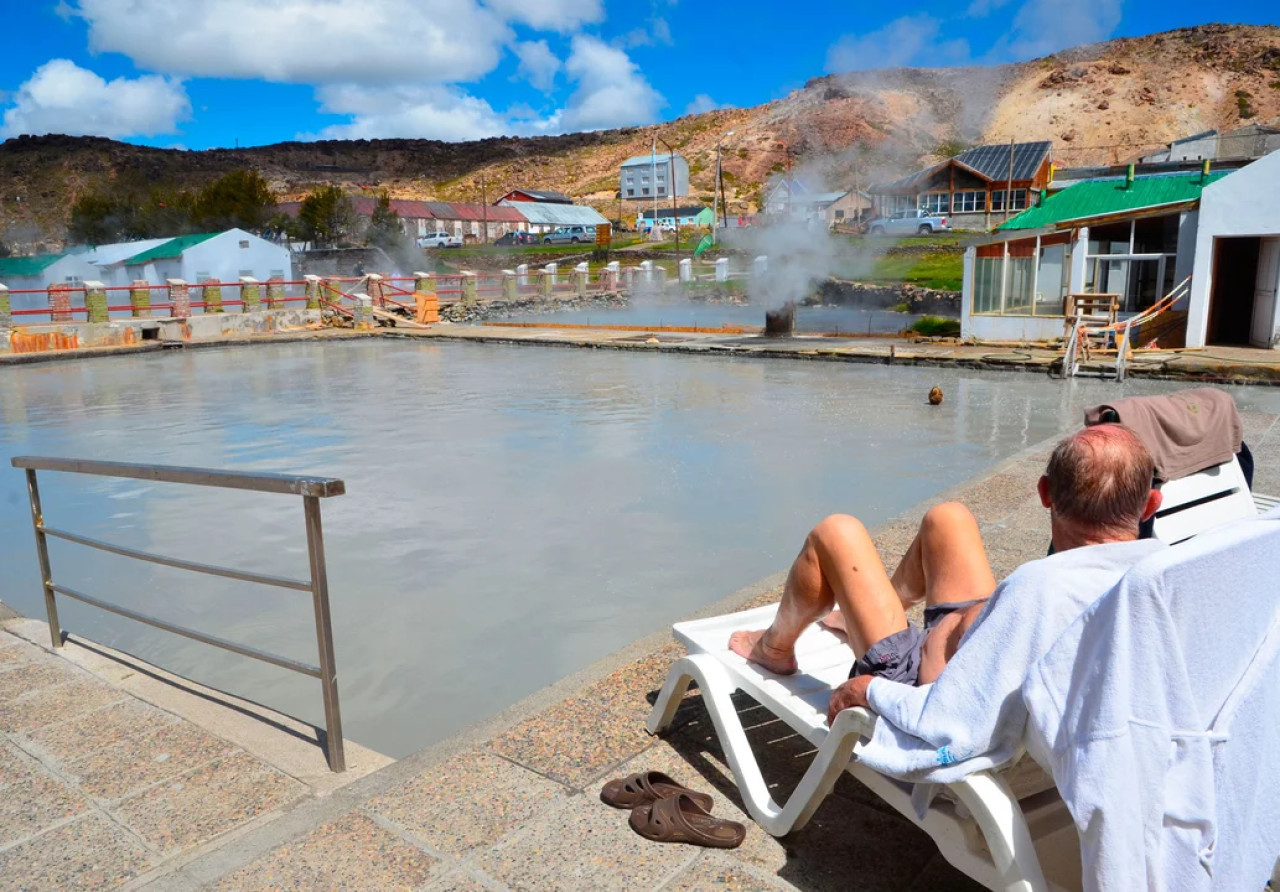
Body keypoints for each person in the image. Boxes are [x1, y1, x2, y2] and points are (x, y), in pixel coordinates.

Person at [729, 424, 1167, 777]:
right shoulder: (1157, 579)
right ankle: (869, 611)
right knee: (947, 518)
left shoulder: (1041, 587)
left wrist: (871, 691)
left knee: (836, 532)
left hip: (914, 681)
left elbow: (954, 720)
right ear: (1150, 505)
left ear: (1045, 493)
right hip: (970, 636)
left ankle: (774, 648)